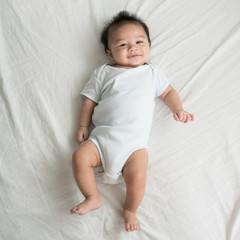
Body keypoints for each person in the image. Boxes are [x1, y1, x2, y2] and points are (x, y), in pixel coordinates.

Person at [70, 11, 194, 232]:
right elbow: (88, 101)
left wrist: (178, 108)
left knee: (138, 176)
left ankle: (130, 210)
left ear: (148, 45)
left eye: (139, 42)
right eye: (123, 45)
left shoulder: (151, 72)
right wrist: (82, 126)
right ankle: (92, 197)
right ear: (110, 53)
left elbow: (168, 93)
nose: (133, 48)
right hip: (101, 139)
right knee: (79, 157)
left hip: (134, 145)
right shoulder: (103, 73)